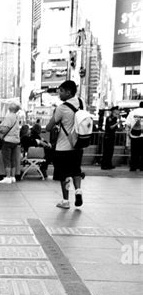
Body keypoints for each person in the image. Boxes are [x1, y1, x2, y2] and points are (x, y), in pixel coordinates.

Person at [46, 80, 84, 209]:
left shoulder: (62, 108)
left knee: (64, 174)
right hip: (78, 145)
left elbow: (48, 127)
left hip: (63, 147)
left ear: (68, 92)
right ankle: (78, 190)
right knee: (76, 171)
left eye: (61, 91)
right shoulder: (80, 103)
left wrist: (56, 119)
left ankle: (65, 200)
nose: (59, 94)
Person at [0, 103, 21, 184]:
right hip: (15, 141)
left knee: (7, 159)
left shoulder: (9, 116)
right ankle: (13, 177)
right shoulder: (16, 117)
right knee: (13, 159)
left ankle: (7, 177)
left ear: (11, 108)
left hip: (8, 141)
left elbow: (4, 130)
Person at [125, 101, 143, 172]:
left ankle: (133, 167)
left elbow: (127, 124)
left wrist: (128, 134)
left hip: (134, 135)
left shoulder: (132, 113)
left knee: (134, 152)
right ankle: (142, 167)